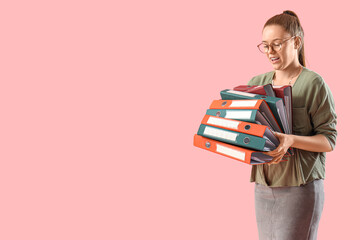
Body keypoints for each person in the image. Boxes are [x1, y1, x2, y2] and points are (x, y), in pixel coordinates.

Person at [247, 10, 337, 240]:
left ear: (296, 42)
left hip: (300, 188)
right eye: (265, 45)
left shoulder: (313, 83)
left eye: (276, 44)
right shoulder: (256, 84)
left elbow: (328, 140)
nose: (270, 52)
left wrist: (291, 140)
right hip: (263, 187)